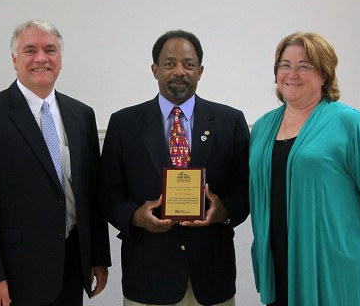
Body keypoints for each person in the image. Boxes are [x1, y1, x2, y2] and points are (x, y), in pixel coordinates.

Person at [0, 19, 111, 306]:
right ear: (15, 59)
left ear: (60, 59)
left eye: (50, 50)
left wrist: (98, 256)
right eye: (30, 50)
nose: (41, 58)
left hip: (72, 264)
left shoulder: (81, 115)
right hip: (14, 275)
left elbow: (90, 193)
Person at [249, 32, 360, 306]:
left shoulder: (349, 123)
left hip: (334, 270)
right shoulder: (262, 127)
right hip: (280, 265)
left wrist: (350, 245)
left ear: (324, 74)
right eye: (284, 64)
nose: (292, 73)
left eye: (304, 65)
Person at [99, 30, 250, 306]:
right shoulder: (124, 124)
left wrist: (223, 211)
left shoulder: (231, 121)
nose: (179, 71)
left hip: (212, 277)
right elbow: (107, 192)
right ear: (155, 69)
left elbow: (246, 189)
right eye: (169, 64)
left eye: (188, 64)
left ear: (200, 71)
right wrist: (135, 216)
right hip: (148, 277)